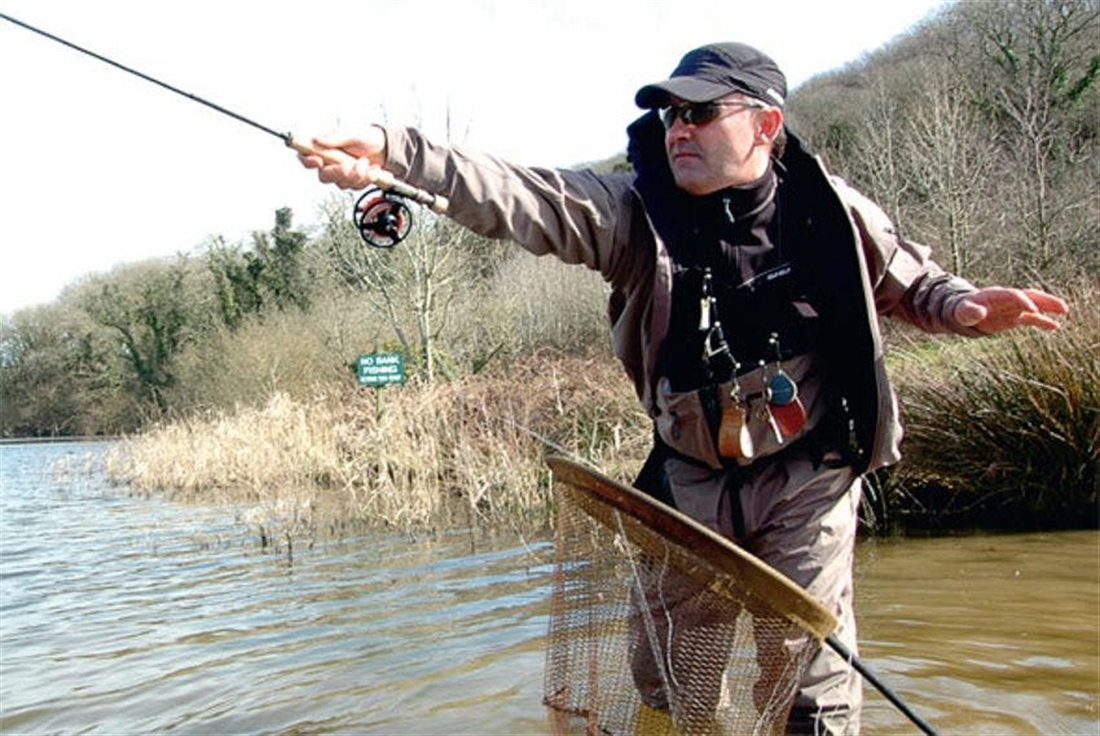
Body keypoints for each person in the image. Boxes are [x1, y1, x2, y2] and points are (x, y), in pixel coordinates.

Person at [299, 42, 1069, 734]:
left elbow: (914, 283)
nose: (678, 129)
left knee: (812, 680)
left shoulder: (832, 210)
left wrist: (966, 308)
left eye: (701, 112)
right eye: (670, 114)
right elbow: (523, 196)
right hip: (691, 479)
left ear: (765, 125)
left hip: (810, 474)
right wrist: (397, 153)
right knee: (669, 680)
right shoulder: (632, 214)